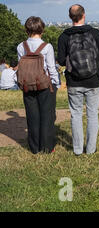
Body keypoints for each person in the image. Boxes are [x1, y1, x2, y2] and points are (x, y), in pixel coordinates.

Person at [58, 4, 99, 156]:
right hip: (94, 80)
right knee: (92, 114)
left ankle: (77, 149)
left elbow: (61, 61)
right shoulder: (94, 33)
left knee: (76, 114)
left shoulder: (64, 36)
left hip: (73, 81)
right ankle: (91, 149)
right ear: (84, 15)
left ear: (70, 17)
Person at [17, 16, 60, 154]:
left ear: (26, 30)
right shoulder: (47, 47)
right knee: (47, 116)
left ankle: (34, 147)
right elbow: (51, 68)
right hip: (45, 84)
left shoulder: (21, 46)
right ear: (42, 30)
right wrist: (56, 83)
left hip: (27, 85)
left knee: (32, 116)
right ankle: (47, 147)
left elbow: (21, 67)